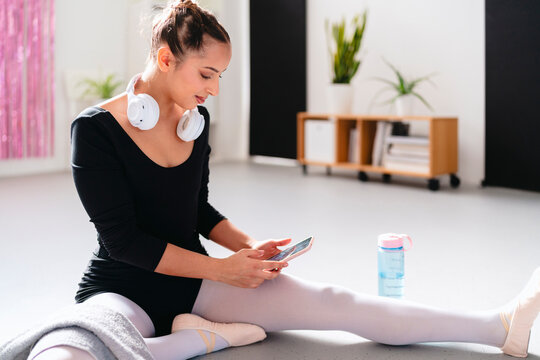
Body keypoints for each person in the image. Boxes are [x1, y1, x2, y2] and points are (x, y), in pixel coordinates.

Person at [31, 1, 540, 359]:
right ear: (166, 58)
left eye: (219, 78)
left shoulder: (195, 121)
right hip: (122, 287)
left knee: (336, 303)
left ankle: (498, 327)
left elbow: (197, 210)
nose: (212, 90)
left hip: (200, 284)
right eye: (205, 74)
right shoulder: (95, 130)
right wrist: (225, 271)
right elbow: (123, 243)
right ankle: (210, 338)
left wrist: (249, 250)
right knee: (66, 351)